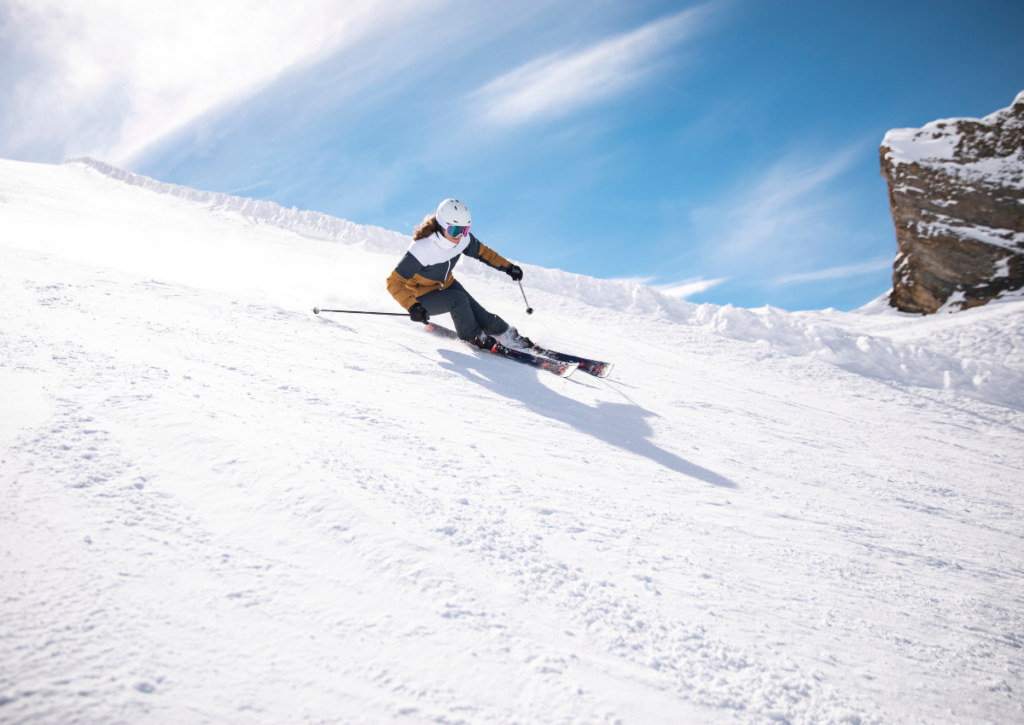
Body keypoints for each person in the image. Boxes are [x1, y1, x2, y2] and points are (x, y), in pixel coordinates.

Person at [386, 198, 533, 350]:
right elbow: (393, 282)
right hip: (420, 298)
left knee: (483, 317)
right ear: (442, 225)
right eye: (455, 230)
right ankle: (473, 336)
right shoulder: (422, 249)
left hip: (446, 284)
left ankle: (511, 335)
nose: (460, 235)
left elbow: (484, 253)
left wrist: (508, 267)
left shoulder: (462, 240)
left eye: (465, 229)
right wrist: (413, 306)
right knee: (458, 299)